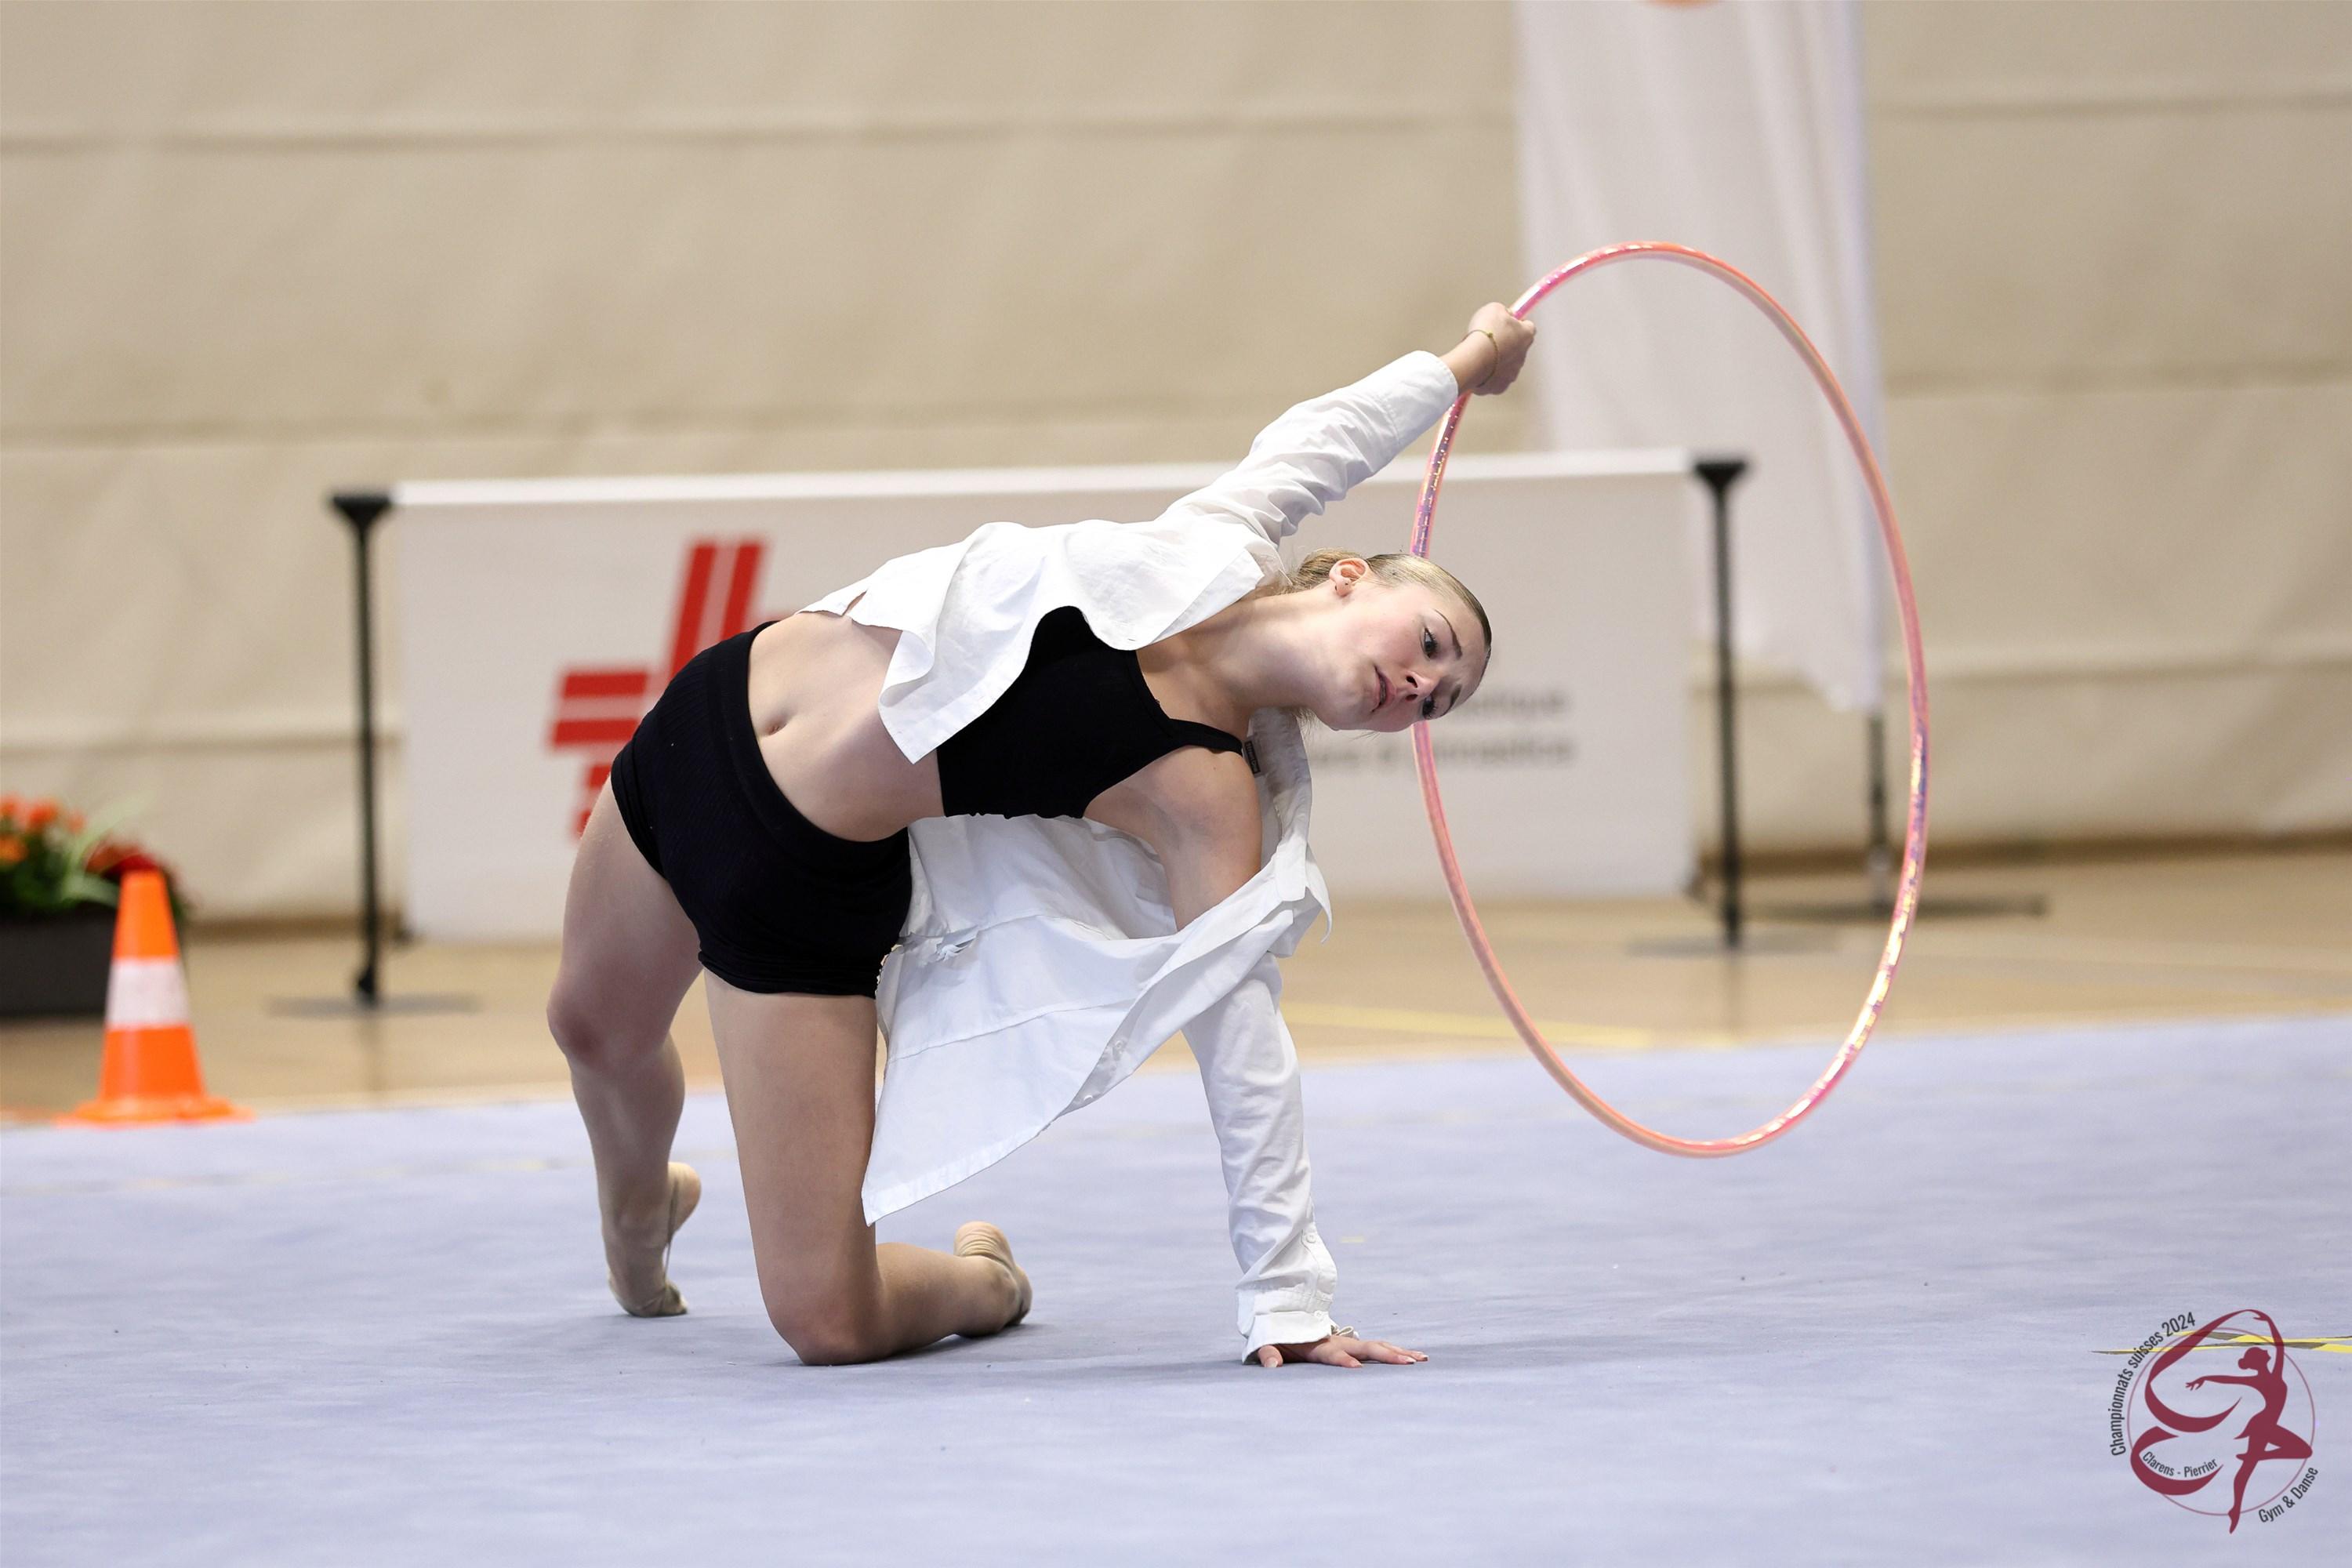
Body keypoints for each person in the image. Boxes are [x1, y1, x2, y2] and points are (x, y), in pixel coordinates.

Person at [546, 303, 1534, 1369]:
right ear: (1348, 576)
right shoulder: (1212, 542)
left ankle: (988, 1283)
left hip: (796, 891)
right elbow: (1328, 436)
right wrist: (1470, 362)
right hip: (708, 724)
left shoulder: (1207, 798)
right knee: (592, 1030)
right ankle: (641, 1212)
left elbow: (1244, 1045)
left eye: (1440, 700)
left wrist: (1287, 1297)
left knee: (830, 1322)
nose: (1422, 685)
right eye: (1432, 643)